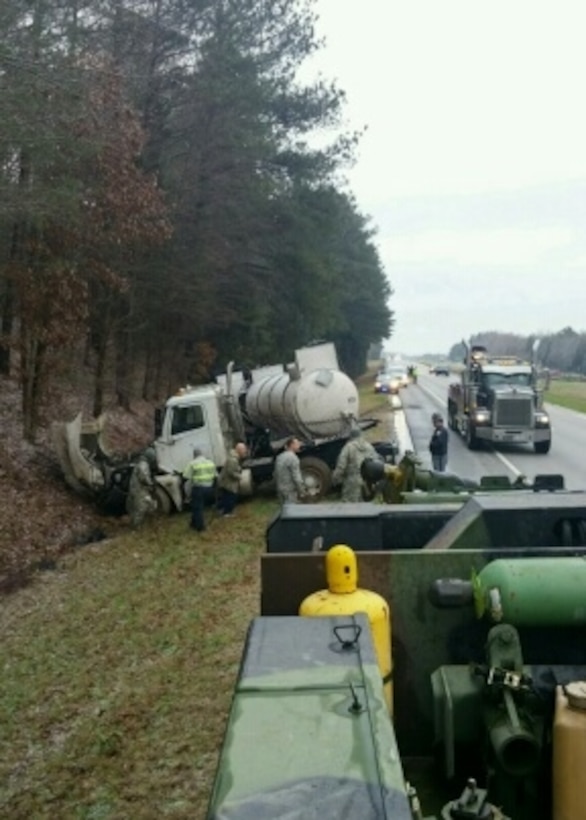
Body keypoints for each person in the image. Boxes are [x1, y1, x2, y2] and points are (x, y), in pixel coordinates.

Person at [332, 428, 379, 502]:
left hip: (351, 482)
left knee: (350, 509)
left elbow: (341, 466)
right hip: (367, 482)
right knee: (365, 506)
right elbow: (376, 461)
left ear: (351, 436)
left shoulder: (348, 447)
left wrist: (335, 479)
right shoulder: (369, 446)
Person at [182, 448, 217, 531]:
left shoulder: (192, 463)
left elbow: (185, 477)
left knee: (198, 507)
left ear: (194, 455)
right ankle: (193, 523)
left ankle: (200, 527)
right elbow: (215, 476)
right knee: (196, 506)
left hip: (199, 489)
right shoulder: (210, 462)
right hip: (209, 488)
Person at [126, 447, 157, 528]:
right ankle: (137, 527)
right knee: (141, 508)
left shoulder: (139, 463)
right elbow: (144, 477)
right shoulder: (144, 465)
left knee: (135, 508)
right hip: (140, 490)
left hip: (135, 488)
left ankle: (135, 524)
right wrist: (150, 484)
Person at [217, 442, 248, 517]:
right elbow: (231, 472)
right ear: (238, 450)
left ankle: (223, 510)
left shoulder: (234, 458)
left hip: (227, 482)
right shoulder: (233, 460)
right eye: (244, 450)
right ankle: (227, 513)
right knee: (230, 497)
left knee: (227, 497)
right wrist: (240, 476)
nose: (245, 451)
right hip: (228, 483)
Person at [274, 437, 306, 503]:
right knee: (292, 510)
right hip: (290, 491)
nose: (299, 445)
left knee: (284, 510)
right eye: (297, 443)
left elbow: (276, 474)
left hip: (280, 489)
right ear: (292, 445)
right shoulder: (293, 458)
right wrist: (302, 491)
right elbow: (297, 477)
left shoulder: (279, 457)